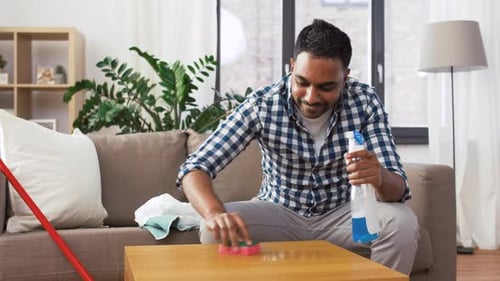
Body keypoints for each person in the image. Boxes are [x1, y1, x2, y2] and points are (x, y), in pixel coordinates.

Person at [177, 19, 418, 274]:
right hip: (277, 212)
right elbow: (195, 168)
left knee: (401, 223)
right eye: (302, 82)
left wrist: (379, 176)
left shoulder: (365, 102)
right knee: (211, 229)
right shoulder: (263, 105)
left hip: (342, 215)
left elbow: (398, 191)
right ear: (292, 67)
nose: (311, 97)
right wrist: (214, 214)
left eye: (326, 87)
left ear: (345, 77)